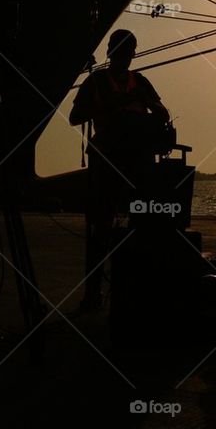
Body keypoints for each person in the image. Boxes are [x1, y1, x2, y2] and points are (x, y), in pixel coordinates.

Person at [69, 29, 170, 310]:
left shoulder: (141, 82)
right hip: (106, 164)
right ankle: (92, 295)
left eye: (130, 52)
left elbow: (162, 113)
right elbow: (75, 117)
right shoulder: (97, 82)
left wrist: (146, 102)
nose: (127, 57)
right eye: (123, 51)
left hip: (138, 164)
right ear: (112, 53)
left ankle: (135, 294)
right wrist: (111, 108)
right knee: (99, 230)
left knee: (143, 228)